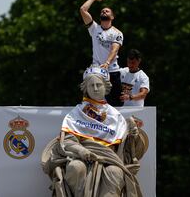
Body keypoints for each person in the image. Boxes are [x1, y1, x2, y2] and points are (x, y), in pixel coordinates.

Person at [41, 65, 149, 197]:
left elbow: (126, 149)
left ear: (106, 87)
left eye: (99, 85)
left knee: (115, 172)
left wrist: (133, 136)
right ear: (85, 88)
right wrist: (82, 151)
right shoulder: (77, 113)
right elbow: (67, 141)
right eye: (91, 85)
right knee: (75, 167)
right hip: (81, 157)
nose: (96, 88)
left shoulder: (116, 116)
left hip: (109, 159)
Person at [79, 0, 123, 107]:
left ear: (112, 17)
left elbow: (114, 49)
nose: (104, 12)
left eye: (107, 11)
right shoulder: (94, 28)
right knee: (92, 103)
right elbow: (83, 9)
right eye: (102, 11)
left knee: (115, 104)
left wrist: (107, 63)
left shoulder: (117, 33)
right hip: (96, 71)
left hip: (112, 71)